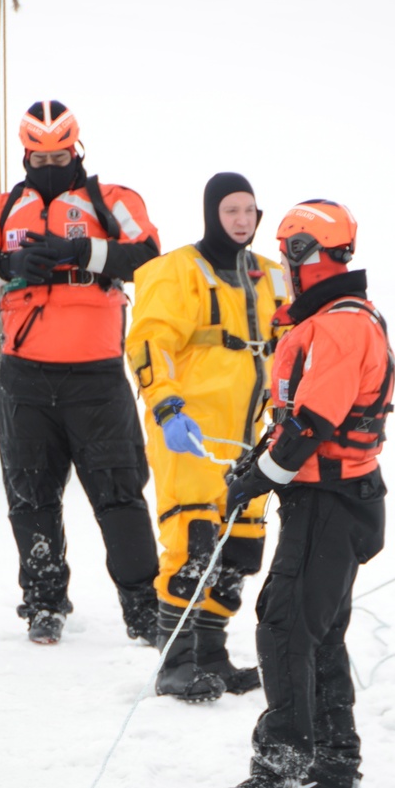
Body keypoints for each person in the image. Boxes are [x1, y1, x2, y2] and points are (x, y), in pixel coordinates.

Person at [0, 100, 161, 646]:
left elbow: (151, 253)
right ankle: (44, 603)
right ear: (24, 154)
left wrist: (82, 251)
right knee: (30, 497)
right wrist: (6, 265)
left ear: (76, 148)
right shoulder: (3, 208)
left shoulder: (111, 200)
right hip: (25, 380)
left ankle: (143, 608)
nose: (49, 165)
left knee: (119, 495)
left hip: (98, 377)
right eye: (38, 157)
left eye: (59, 155)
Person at [221, 200, 394, 788]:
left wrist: (261, 479)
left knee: (286, 626)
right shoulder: (331, 320)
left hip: (331, 501)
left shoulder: (342, 324)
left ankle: (279, 770)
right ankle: (336, 761)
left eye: (292, 250)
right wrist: (260, 465)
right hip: (328, 498)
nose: (287, 266)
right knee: (318, 632)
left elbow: (315, 421)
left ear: (308, 255)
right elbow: (300, 418)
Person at [127, 173, 287, 702]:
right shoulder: (177, 272)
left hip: (251, 436)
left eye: (249, 211)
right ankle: (175, 662)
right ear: (211, 213)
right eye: (231, 211)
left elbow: (292, 340)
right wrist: (168, 407)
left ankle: (212, 654)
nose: (242, 221)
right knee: (192, 543)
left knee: (239, 547)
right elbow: (150, 342)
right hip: (190, 433)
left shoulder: (272, 276)